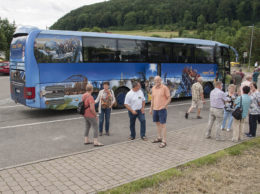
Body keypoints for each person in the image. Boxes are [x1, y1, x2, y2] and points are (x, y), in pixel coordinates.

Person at [150, 76, 171, 148]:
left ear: (161, 80)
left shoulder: (164, 88)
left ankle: (164, 141)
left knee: (163, 125)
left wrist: (165, 105)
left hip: (162, 109)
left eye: (158, 80)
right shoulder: (153, 88)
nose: (157, 82)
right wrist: (151, 108)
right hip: (155, 109)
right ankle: (159, 137)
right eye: (155, 81)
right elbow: (152, 99)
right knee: (157, 124)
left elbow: (169, 98)